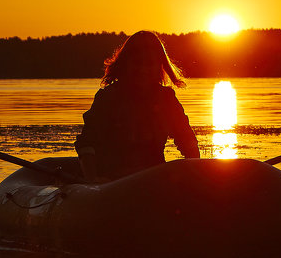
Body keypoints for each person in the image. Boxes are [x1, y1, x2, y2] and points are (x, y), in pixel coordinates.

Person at [75, 31, 200, 182]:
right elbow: (87, 142)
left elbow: (187, 140)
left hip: (154, 179)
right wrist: (92, 180)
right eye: (137, 62)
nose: (143, 69)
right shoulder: (107, 97)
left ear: (159, 65)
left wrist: (196, 178)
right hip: (112, 182)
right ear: (125, 64)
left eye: (149, 63)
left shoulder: (167, 98)